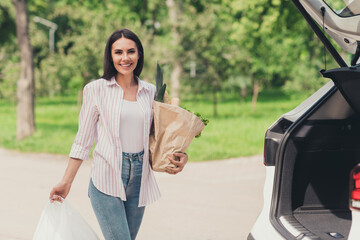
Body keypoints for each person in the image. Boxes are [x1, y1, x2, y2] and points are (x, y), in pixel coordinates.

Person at [49, 28, 188, 240]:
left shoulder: (150, 91)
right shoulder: (95, 90)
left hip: (140, 179)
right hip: (107, 177)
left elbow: (160, 136)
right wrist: (66, 182)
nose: (125, 58)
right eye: (118, 52)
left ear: (139, 54)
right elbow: (83, 141)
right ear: (110, 56)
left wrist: (181, 155)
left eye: (131, 51)